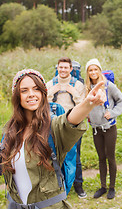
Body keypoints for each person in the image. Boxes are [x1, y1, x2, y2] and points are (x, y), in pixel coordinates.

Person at [0, 69, 105, 209]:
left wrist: (88, 103)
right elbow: (16, 174)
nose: (31, 94)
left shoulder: (52, 127)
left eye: (36, 89)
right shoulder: (11, 130)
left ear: (43, 93)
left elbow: (70, 121)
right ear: (17, 96)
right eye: (24, 90)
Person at [85, 58, 122, 200]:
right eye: (90, 70)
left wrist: (113, 113)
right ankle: (103, 186)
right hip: (96, 129)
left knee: (110, 157)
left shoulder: (108, 86)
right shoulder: (87, 88)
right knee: (101, 157)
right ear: (87, 73)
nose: (93, 72)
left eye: (96, 69)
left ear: (100, 70)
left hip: (109, 128)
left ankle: (112, 187)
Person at [46, 57, 87, 198]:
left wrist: (73, 93)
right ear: (57, 68)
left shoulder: (78, 85)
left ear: (71, 69)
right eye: (60, 67)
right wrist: (51, 92)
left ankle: (78, 185)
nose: (63, 70)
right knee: (55, 156)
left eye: (66, 67)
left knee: (75, 157)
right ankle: (59, 186)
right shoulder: (50, 84)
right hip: (54, 125)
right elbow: (43, 105)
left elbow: (83, 105)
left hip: (72, 125)